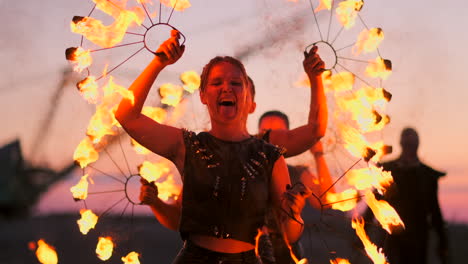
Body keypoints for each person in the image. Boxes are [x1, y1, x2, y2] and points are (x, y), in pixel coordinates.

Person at [115, 30, 324, 263]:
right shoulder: (187, 146)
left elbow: (290, 231)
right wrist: (158, 62)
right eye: (217, 83)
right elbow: (127, 116)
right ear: (203, 95)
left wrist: (295, 213)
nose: (227, 88)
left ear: (247, 97)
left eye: (236, 83)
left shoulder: (271, 156)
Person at [256, 110, 336, 263]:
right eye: (265, 132)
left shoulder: (296, 172)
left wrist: (318, 155)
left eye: (278, 132)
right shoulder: (243, 169)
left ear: (288, 136)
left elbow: (326, 200)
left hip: (286, 254)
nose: (271, 138)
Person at [363, 127, 449, 264]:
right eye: (407, 143)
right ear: (401, 144)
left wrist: (443, 242)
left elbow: (434, 210)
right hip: (390, 237)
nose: (409, 147)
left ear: (417, 145)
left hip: (417, 238)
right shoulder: (387, 171)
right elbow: (374, 201)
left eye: (412, 144)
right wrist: (362, 230)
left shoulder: (427, 176)